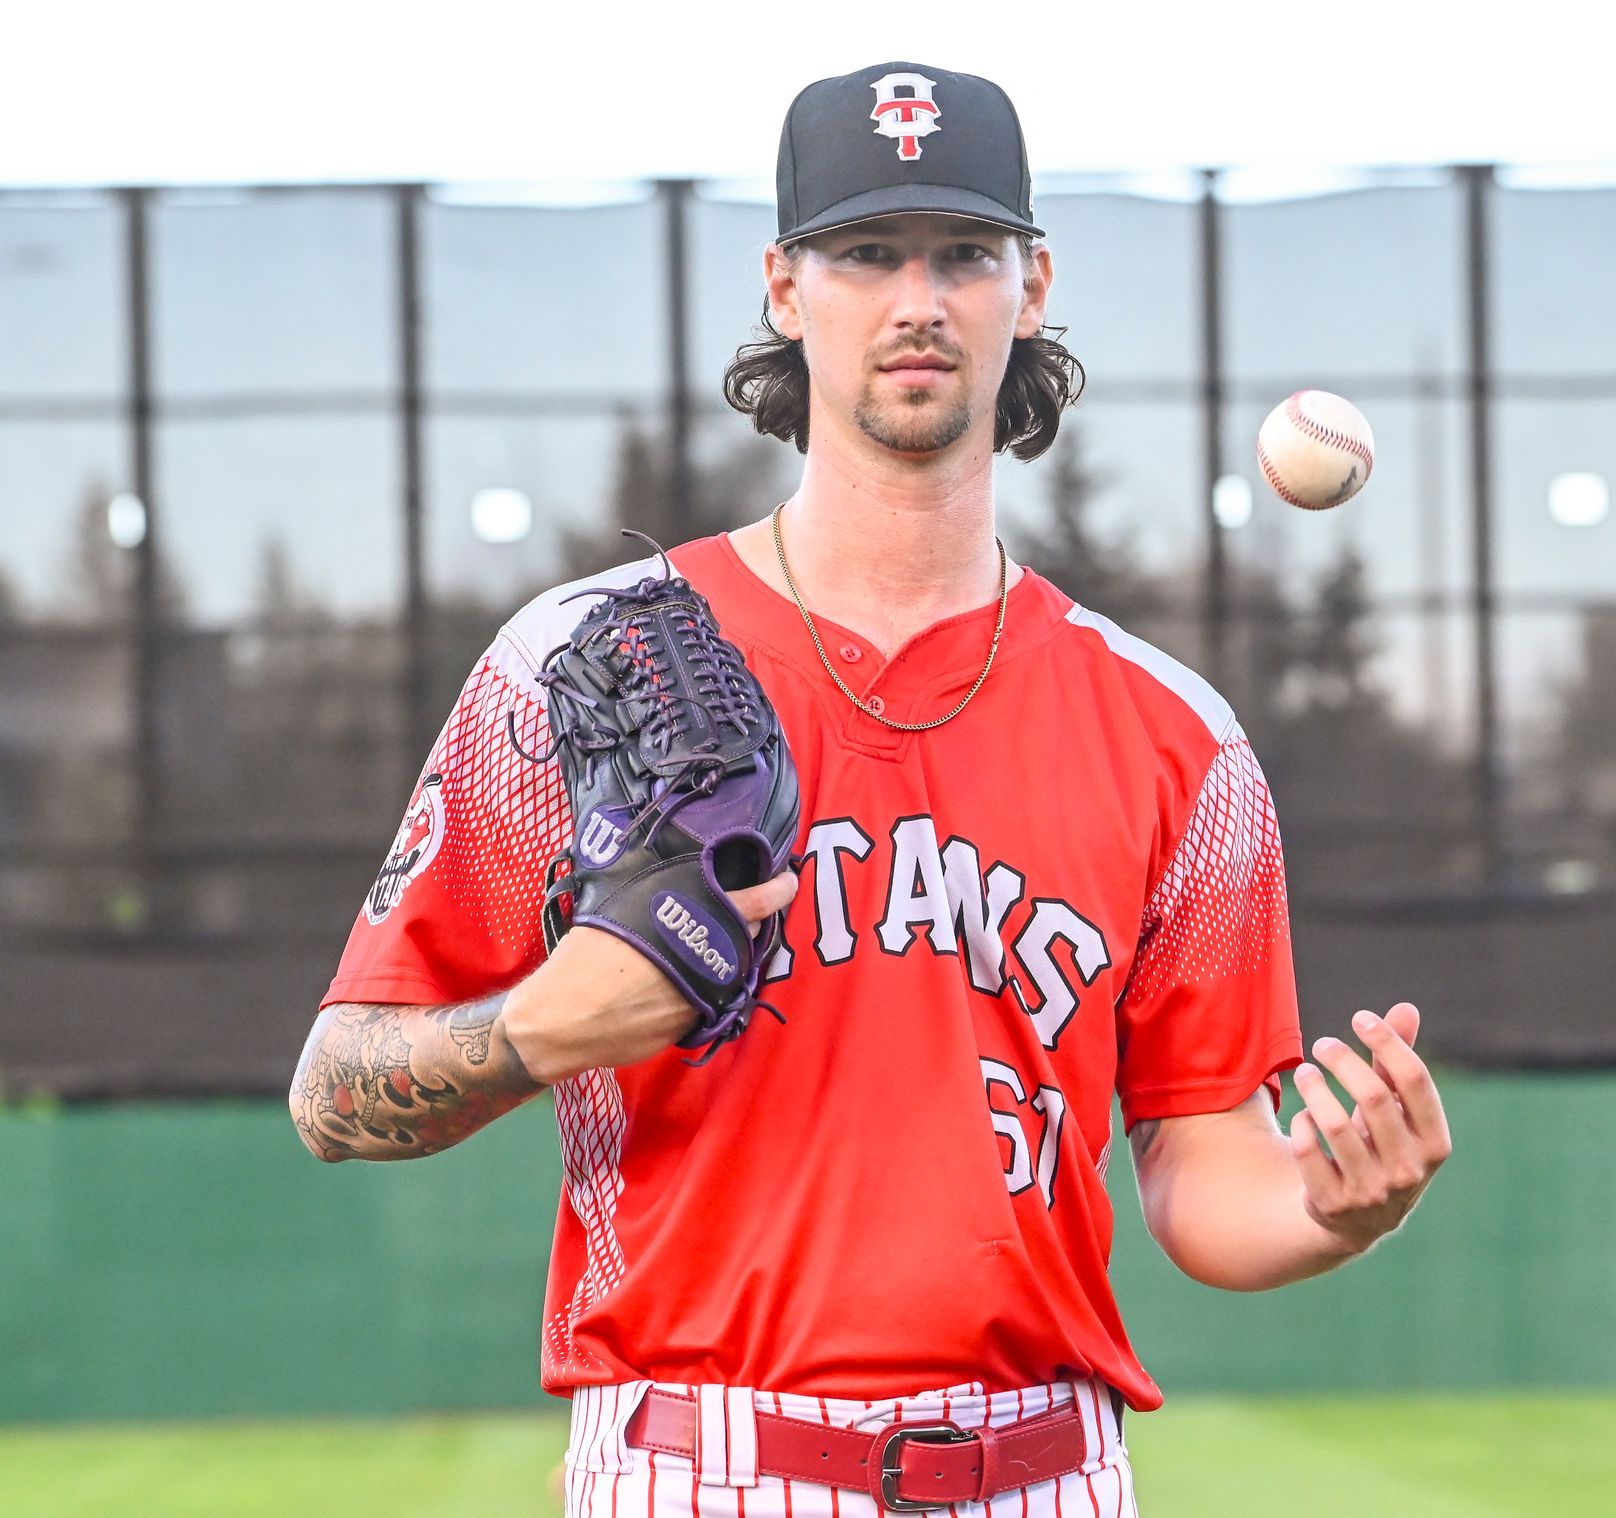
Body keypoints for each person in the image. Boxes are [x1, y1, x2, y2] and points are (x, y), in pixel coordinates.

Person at [289, 60, 1451, 1518]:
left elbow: (1201, 1168)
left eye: (964, 252)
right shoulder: (588, 665)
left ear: (1031, 284)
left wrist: (1331, 1205)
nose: (918, 299)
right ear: (785, 285)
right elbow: (334, 1091)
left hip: (1043, 1466)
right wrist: (544, 1026)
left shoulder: (1178, 740)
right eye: (865, 252)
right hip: (693, 1459)